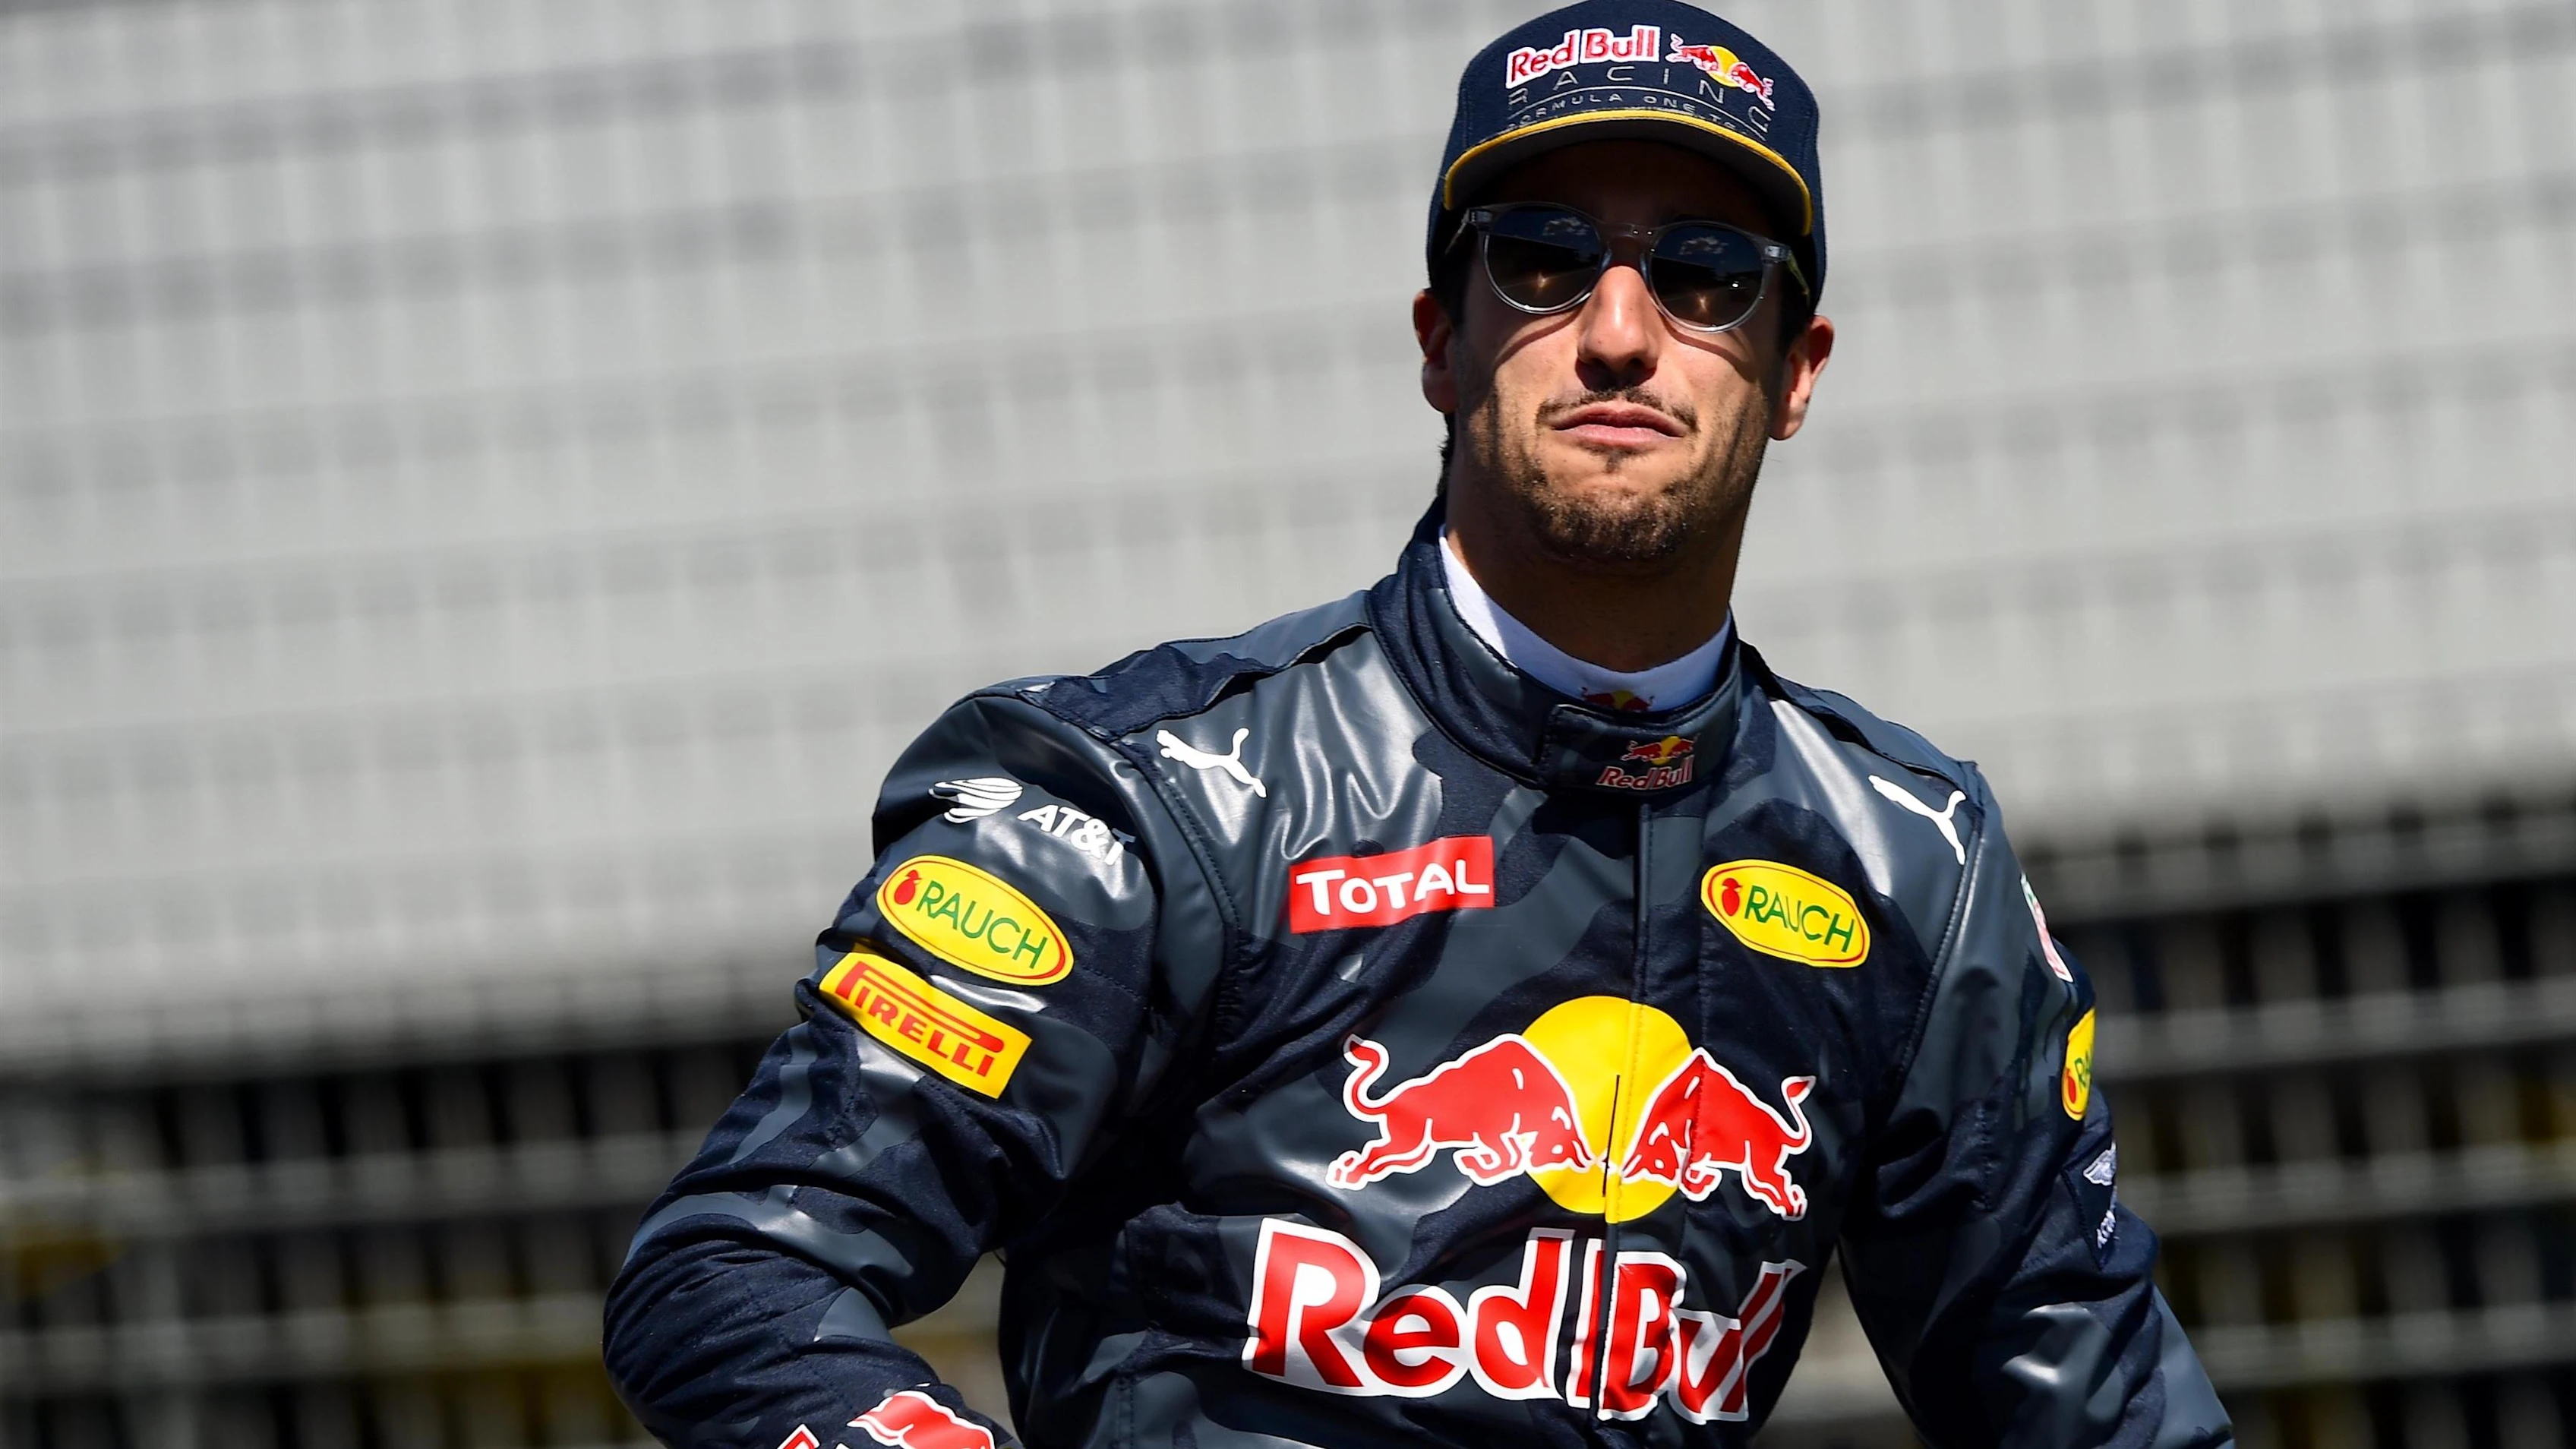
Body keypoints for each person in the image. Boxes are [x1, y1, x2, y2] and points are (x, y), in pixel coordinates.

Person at [603, 3, 2234, 1445]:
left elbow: (2085, 1396)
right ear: (1440, 340)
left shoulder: (1910, 869)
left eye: (1702, 274)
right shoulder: (1159, 801)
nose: (1616, 328)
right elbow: (739, 1269)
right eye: (1538, 258)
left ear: (1793, 369)